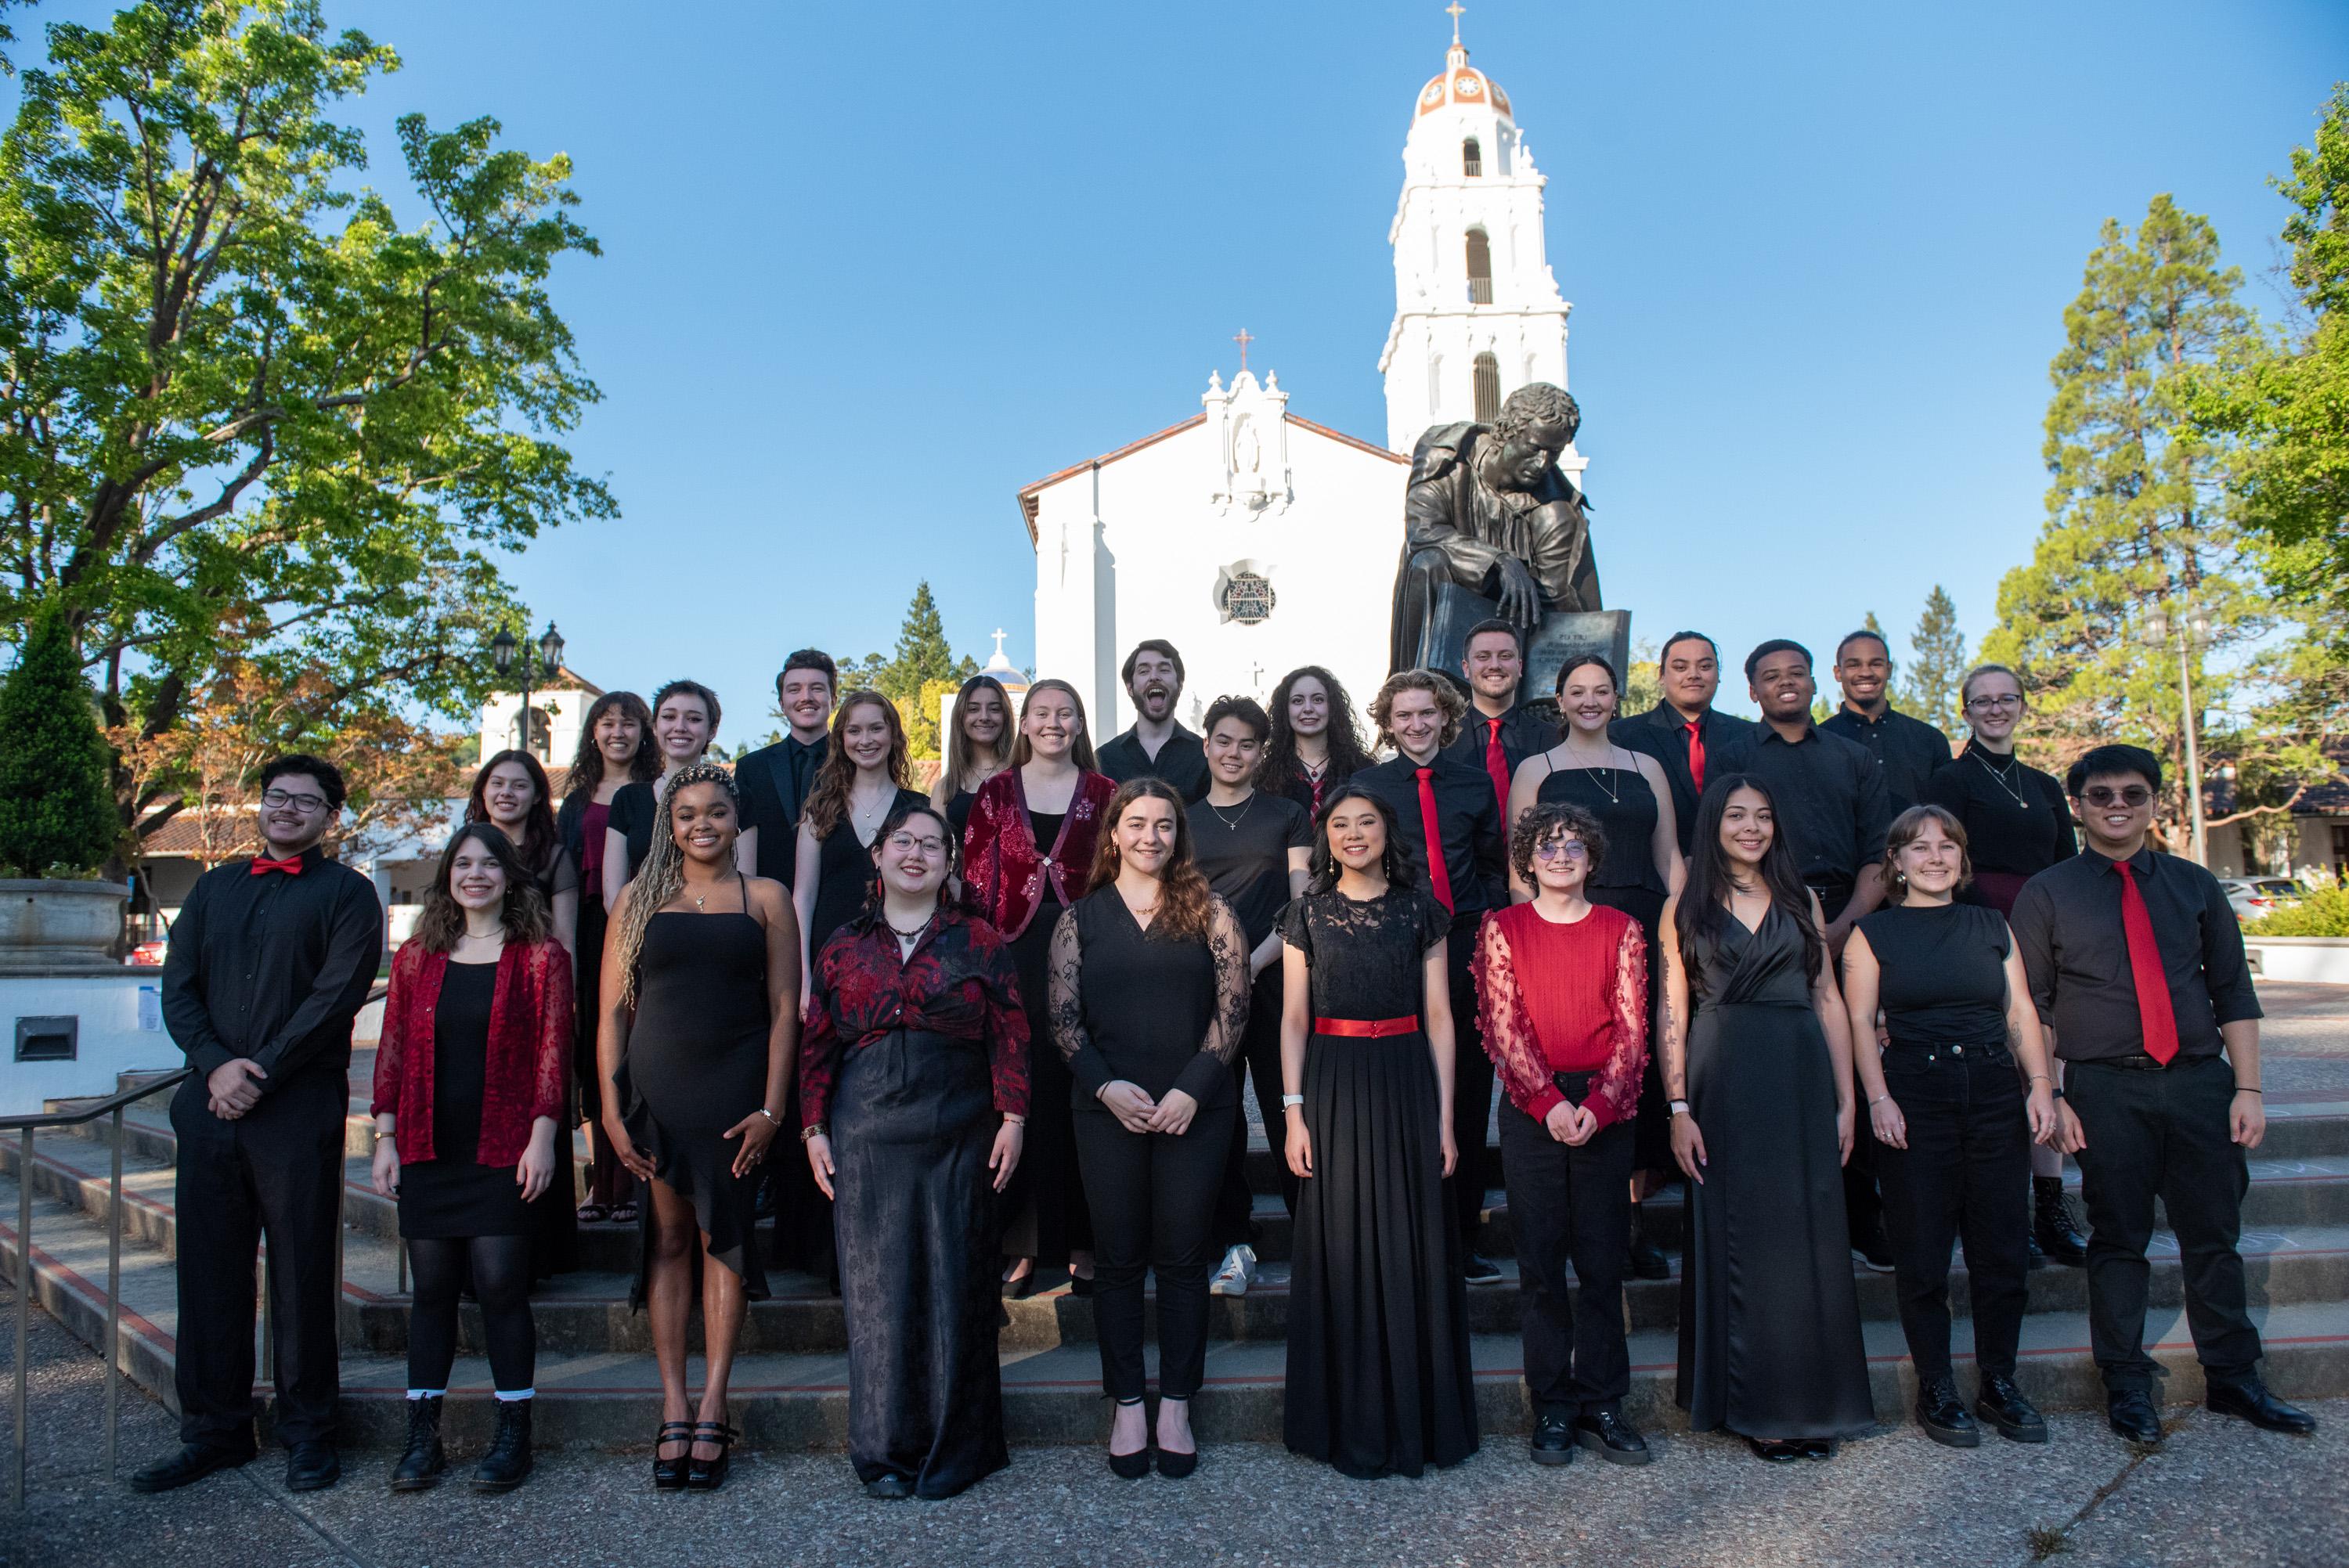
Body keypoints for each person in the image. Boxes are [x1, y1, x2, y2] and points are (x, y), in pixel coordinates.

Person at [2015, 744, 2318, 1444]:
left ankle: (2234, 1378)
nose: (2117, 805)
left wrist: (2248, 1088)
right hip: (2103, 1088)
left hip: (2198, 1084)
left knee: (2214, 1235)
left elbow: (2232, 991)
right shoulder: (2048, 891)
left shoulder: (2194, 884)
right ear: (2079, 805)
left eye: (2132, 793)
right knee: (2118, 1239)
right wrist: (2051, 1095)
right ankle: (2125, 1383)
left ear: (2154, 801)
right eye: (2101, 795)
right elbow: (2033, 1007)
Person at [135, 755, 384, 1496]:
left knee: (303, 1273)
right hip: (210, 1107)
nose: (287, 810)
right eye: (278, 797)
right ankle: (214, 1431)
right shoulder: (213, 889)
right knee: (209, 1273)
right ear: (262, 804)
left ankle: (309, 1434)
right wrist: (215, 1065)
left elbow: (335, 996)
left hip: (295, 1107)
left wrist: (259, 1071)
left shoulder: (349, 894)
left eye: (306, 802)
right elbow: (179, 990)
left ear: (329, 816)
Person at [801, 802, 1030, 1501]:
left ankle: (958, 1445)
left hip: (960, 1126)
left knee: (958, 1282)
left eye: (932, 845)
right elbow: (816, 1045)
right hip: (867, 1132)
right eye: (904, 841)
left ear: (947, 863)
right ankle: (886, 1451)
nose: (916, 854)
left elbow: (1012, 1033)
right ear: (877, 854)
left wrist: (1014, 1115)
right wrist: (813, 1129)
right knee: (879, 1293)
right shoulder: (842, 944)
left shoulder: (981, 940)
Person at [598, 766, 797, 1491]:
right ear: (669, 824)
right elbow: (612, 1014)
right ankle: (673, 1403)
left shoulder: (767, 898)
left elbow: (784, 1011)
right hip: (657, 1094)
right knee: (671, 1236)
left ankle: (715, 1400)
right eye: (686, 814)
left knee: (725, 1236)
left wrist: (773, 1110)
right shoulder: (637, 898)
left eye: (716, 812)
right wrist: (612, 1112)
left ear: (735, 820)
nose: (702, 824)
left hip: (736, 1097)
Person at [1662, 775, 1872, 1461]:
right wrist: (1677, 1106)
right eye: (1736, 815)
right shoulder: (1683, 904)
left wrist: (1847, 1098)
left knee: (1808, 1234)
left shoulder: (1801, 898)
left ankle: (1815, 1402)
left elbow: (1828, 997)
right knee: (1742, 1240)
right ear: (1713, 824)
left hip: (1799, 1070)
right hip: (1721, 1076)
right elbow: (1673, 1011)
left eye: (1763, 815)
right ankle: (1755, 1404)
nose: (1751, 827)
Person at [1050, 778, 1249, 1478]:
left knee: (1184, 1259)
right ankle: (1129, 1399)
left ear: (1178, 835)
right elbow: (1064, 1019)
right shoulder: (1080, 918)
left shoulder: (1211, 912)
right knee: (1119, 1258)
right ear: (1113, 834)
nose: (1150, 837)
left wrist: (1192, 1090)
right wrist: (1105, 1086)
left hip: (1194, 1108)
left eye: (1164, 825)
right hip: (1107, 1109)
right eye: (1136, 823)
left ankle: (1178, 1402)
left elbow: (1233, 1012)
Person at [1842, 806, 2058, 1449]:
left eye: (1947, 846)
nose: (1935, 857)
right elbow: (1858, 1023)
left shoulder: (1993, 924)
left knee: (2001, 1250)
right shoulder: (1871, 935)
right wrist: (1877, 1097)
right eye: (1919, 847)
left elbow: (2018, 1006)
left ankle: (1999, 1382)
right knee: (1924, 1253)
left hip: (1994, 1089)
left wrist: (2040, 1084)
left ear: (1962, 858)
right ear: (1897, 863)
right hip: (1915, 1094)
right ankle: (1937, 1387)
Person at [1279, 785, 1477, 1478]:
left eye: (1366, 821)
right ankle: (1342, 1419)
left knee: (1408, 1242)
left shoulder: (1422, 909)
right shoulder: (1305, 912)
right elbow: (1295, 1018)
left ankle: (1418, 1416)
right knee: (1339, 1244)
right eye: (1340, 824)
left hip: (1404, 1079)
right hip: (1332, 1081)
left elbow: (1442, 1018)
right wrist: (1294, 1111)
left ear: (1386, 831)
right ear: (1326, 837)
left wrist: (1446, 1118)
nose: (1353, 833)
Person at [370, 824, 572, 1493]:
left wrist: (545, 1135)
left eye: (490, 863)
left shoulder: (542, 956)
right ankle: (421, 1437)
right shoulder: (415, 956)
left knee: (500, 1288)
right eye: (463, 863)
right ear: (447, 875)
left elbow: (553, 1050)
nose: (476, 873)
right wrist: (386, 1137)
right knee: (431, 1292)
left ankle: (514, 1435)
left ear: (510, 875)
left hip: (503, 1147)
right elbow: (392, 1047)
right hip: (429, 1147)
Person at [1474, 801, 1652, 1468]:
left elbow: (1634, 1029)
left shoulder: (1621, 927)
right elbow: (1503, 1021)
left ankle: (1604, 1400)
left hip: (1605, 1104)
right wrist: (1548, 1101)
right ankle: (1551, 1403)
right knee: (1542, 1263)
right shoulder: (1504, 926)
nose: (1560, 854)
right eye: (1547, 845)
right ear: (1527, 859)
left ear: (1593, 858)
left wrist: (1600, 1105)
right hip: (1532, 1107)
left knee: (1603, 1261)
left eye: (1574, 844)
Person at [1712, 639, 1896, 1272]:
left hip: (1851, 915)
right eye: (1771, 677)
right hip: (1760, 918)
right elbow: (1717, 841)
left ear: (1817, 683)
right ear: (1753, 690)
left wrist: (1839, 929)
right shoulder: (1733, 757)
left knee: (1858, 1051)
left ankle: (1862, 1212)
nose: (1785, 684)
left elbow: (1880, 853)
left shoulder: (1852, 757)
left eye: (1797, 674)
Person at [1507, 652, 1684, 1278]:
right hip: (1570, 931)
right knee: (1592, 1057)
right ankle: (1589, 1225)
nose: (1589, 700)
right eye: (1576, 690)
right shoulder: (1537, 768)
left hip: (1644, 923)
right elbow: (1519, 866)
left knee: (1639, 1073)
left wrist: (1682, 928)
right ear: (1559, 699)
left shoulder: (1647, 767)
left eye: (1601, 690)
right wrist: (1534, 943)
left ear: (1617, 697)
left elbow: (1670, 858)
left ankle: (1628, 1222)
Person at [1922, 663, 2087, 1267]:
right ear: (1965, 710)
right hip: (1981, 931)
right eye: (1982, 701)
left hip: (2048, 932)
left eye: (2006, 699)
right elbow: (1940, 865)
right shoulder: (1950, 778)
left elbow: (2069, 866)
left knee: (2046, 1067)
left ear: (2022, 706)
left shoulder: (2044, 785)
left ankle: (2051, 1208)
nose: (1995, 709)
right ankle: (2003, 1215)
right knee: (1999, 1077)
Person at [1351, 669, 1508, 1285]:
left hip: (1465, 940)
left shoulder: (1473, 783)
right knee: (1399, 1086)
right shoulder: (1368, 785)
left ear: (1444, 715)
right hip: (1397, 943)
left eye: (1426, 713)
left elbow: (1494, 860)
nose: (1416, 725)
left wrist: (1486, 912)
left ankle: (1460, 1235)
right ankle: (1401, 1230)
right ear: (1389, 723)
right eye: (1403, 716)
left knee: (1464, 1089)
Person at [962, 678, 1117, 1297]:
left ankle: (1084, 1239)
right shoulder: (996, 792)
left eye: (1067, 712)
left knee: (1081, 1087)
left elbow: (1122, 867)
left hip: (1090, 950)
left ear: (1081, 723)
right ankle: (1022, 1244)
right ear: (1022, 724)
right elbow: (975, 879)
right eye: (1042, 713)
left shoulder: (1107, 792)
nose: (1054, 722)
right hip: (1014, 953)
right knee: (1018, 1089)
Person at [1188, 696, 1313, 1296]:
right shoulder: (1181, 819)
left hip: (1275, 979)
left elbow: (1301, 898)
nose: (1234, 752)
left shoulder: (1287, 814)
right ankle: (1232, 1245)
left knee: (1289, 1105)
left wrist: (1255, 960)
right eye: (1224, 740)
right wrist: (1217, 970)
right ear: (1206, 744)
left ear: (1262, 753)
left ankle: (1315, 1238)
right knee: (1218, 1120)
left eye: (1247, 744)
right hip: (1202, 987)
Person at [1389, 382, 1599, 673]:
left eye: (1554, 453)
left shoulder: (1556, 511)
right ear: (1504, 433)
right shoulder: (1446, 455)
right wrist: (1498, 560)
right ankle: (1421, 690)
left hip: (1512, 633)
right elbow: (1422, 531)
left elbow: (1559, 606)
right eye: (1535, 448)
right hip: (1444, 605)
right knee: (1429, 562)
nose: (1542, 463)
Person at [464, 748, 579, 1278]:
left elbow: (565, 939)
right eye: (497, 783)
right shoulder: (460, 851)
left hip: (530, 1004)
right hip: (468, 1004)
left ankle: (536, 1256)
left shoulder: (553, 856)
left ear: (537, 796)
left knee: (534, 1119)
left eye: (519, 784)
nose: (507, 792)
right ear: (483, 791)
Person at [554, 690, 658, 1225]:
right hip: (596, 928)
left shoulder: (656, 793)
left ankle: (637, 1180)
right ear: (592, 732)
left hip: (652, 924)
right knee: (599, 1047)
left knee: (641, 1047)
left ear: (645, 732)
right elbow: (565, 882)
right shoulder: (574, 803)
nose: (617, 731)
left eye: (629, 722)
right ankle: (601, 1182)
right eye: (606, 722)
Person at [792, 690, 929, 976]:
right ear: (842, 740)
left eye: (876, 728)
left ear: (893, 735)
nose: (865, 740)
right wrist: (803, 976)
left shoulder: (920, 809)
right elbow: (803, 898)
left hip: (900, 963)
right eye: (854, 731)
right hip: (829, 961)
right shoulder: (819, 809)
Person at [1611, 629, 1755, 858]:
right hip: (1650, 876)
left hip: (1731, 872)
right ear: (1661, 675)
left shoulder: (1748, 736)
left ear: (1718, 674)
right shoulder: (1622, 737)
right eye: (1680, 667)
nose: (1693, 675)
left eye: (1705, 667)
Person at [604, 679, 721, 902]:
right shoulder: (627, 799)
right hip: (639, 927)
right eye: (669, 717)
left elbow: (744, 883)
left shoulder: (735, 797)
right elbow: (613, 895)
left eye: (694, 719)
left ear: (712, 731)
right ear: (655, 727)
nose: (680, 727)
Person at [1821, 627, 1954, 813]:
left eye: (1875, 664)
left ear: (1889, 670)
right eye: (1854, 665)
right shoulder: (1820, 742)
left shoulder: (1929, 740)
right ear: (1838, 673)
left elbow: (1946, 816)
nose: (1865, 672)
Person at [734, 649, 838, 886]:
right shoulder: (751, 768)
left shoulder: (854, 764)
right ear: (782, 703)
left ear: (833, 699)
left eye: (817, 688)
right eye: (795, 689)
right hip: (769, 903)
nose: (806, 697)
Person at [1442, 618, 1551, 818]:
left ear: (1519, 667)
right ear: (1466, 668)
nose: (1495, 665)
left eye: (1505, 656)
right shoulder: (1440, 740)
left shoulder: (1551, 738)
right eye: (1483, 657)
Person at [1094, 639, 1210, 802]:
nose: (1154, 677)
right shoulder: (1105, 758)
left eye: (1164, 670)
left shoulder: (1204, 756)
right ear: (1129, 688)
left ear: (1180, 684)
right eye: (1144, 671)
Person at [1259, 664, 1376, 817]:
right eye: (1297, 701)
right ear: (1285, 710)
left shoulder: (1363, 771)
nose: (1308, 708)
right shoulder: (1265, 777)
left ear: (1332, 707)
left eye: (1318, 700)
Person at [930, 672, 1014, 837]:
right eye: (974, 709)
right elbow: (937, 851)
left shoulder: (1024, 775)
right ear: (960, 717)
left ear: (1006, 717)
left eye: (995, 709)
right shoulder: (945, 788)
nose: (984, 717)